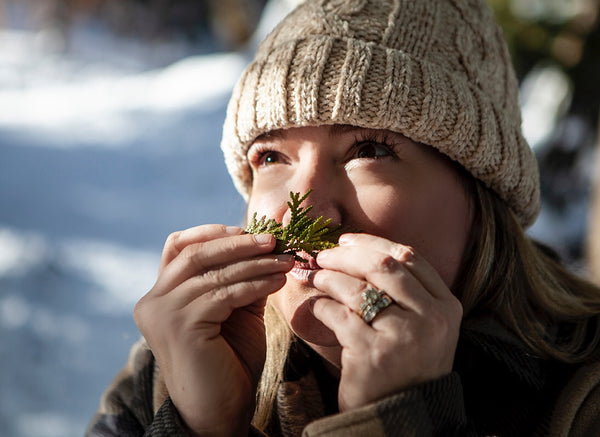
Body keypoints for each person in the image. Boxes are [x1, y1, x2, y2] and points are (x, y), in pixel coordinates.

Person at [87, 0, 600, 435]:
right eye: (272, 157)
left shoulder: (584, 399)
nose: (303, 209)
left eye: (370, 148)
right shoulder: (172, 370)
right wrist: (200, 425)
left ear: (481, 189)